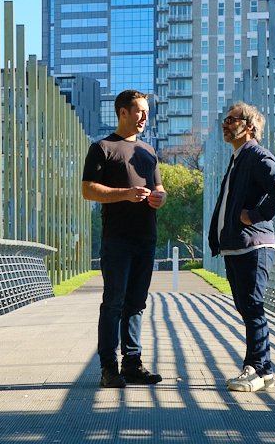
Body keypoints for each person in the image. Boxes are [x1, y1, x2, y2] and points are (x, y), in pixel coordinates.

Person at [81, 89, 167, 388]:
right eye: (140, 111)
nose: (145, 116)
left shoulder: (148, 151)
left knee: (137, 304)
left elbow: (160, 187)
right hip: (116, 239)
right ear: (123, 113)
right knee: (114, 303)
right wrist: (126, 195)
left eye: (147, 111)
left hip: (146, 237)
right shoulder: (102, 148)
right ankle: (109, 368)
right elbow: (88, 190)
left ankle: (133, 364)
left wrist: (160, 197)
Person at [208, 101, 275, 393]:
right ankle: (264, 370)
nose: (225, 124)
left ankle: (255, 369)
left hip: (254, 247)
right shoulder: (238, 158)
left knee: (252, 307)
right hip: (237, 247)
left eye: (232, 120)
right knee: (247, 308)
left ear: (249, 126)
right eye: (225, 120)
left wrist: (253, 216)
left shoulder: (257, 155)